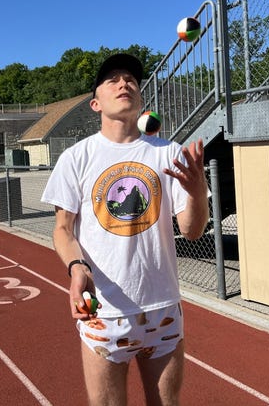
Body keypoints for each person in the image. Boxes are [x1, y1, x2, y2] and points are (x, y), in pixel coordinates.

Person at [41, 53, 210, 405]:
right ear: (95, 103)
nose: (124, 83)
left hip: (163, 310)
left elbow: (192, 231)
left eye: (130, 79)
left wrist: (196, 193)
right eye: (112, 79)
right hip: (104, 311)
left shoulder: (170, 154)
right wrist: (76, 268)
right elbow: (62, 229)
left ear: (141, 99)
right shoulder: (76, 157)